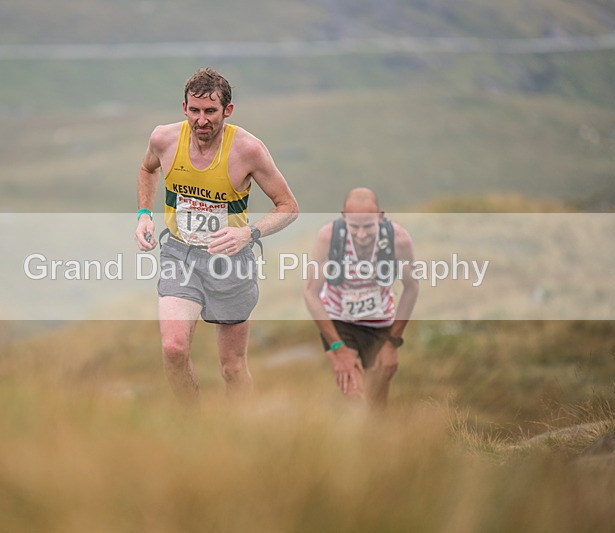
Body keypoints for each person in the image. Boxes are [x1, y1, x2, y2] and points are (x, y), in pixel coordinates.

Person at [134, 67, 298, 402]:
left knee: (232, 368)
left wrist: (249, 234)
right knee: (173, 349)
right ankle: (193, 429)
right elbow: (147, 169)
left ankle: (242, 432)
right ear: (184, 108)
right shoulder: (164, 139)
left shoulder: (248, 150)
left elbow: (288, 207)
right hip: (180, 255)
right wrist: (143, 216)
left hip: (231, 263)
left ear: (227, 110)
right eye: (194, 111)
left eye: (210, 111)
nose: (202, 120)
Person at [304, 188, 418, 410]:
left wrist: (392, 342)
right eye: (354, 227)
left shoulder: (399, 240)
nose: (362, 234)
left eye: (368, 226)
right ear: (343, 216)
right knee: (355, 399)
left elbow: (412, 288)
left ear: (381, 216)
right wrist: (337, 347)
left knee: (377, 405)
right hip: (339, 324)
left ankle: (376, 443)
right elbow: (311, 293)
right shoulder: (328, 237)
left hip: (380, 326)